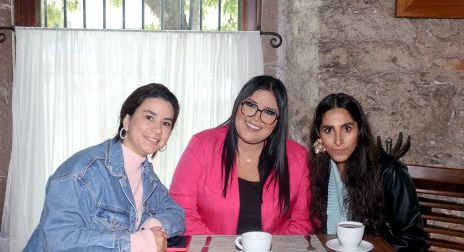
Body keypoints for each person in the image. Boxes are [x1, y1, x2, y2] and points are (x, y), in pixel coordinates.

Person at [24, 83, 185, 252]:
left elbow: (176, 213)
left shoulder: (146, 174)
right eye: (149, 117)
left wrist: (150, 229)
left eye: (166, 123)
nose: (158, 129)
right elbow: (60, 240)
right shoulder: (83, 173)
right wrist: (135, 243)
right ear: (127, 120)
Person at [169, 75, 312, 235]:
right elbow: (181, 211)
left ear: (279, 121)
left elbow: (301, 222)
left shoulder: (298, 157)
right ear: (238, 104)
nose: (256, 117)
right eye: (251, 105)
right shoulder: (201, 145)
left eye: (269, 112)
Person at [308, 93, 426, 251]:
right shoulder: (318, 171)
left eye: (347, 129)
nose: (338, 141)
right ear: (318, 134)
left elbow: (414, 241)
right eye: (329, 130)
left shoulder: (390, 173)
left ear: (359, 130)